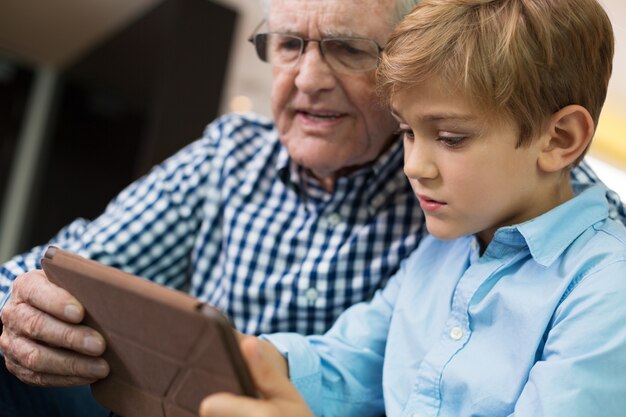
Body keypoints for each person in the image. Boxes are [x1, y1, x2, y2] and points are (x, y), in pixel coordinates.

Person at [0, 0, 623, 415]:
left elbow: (555, 179)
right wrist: (237, 358)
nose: (415, 165)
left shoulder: (573, 262)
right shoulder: (452, 239)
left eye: (348, 50)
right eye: (290, 45)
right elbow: (347, 358)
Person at [199, 0, 626, 416]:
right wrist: (262, 360)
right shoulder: (447, 246)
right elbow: (351, 363)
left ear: (560, 139)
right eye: (407, 131)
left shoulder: (607, 290)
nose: (414, 166)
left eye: (450, 138)